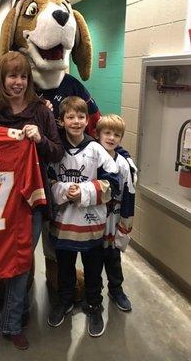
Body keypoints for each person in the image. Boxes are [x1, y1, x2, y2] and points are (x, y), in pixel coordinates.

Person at [0, 51, 64, 350]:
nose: (17, 82)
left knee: (21, 261)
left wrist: (40, 139)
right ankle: (16, 310)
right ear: (1, 79)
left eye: (23, 77)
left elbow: (57, 152)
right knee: (9, 258)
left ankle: (11, 321)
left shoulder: (41, 112)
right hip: (1, 201)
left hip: (33, 198)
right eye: (12, 76)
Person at [47, 97, 120, 337]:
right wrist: (62, 191)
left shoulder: (96, 149)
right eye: (70, 117)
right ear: (61, 120)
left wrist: (86, 192)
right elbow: (48, 181)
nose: (76, 121)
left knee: (92, 267)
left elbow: (113, 182)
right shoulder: (56, 150)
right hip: (64, 224)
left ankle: (93, 304)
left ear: (87, 120)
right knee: (65, 266)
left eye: (81, 117)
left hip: (91, 224)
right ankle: (65, 300)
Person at [95, 114, 135, 312]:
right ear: (98, 134)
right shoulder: (92, 157)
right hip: (93, 219)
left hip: (114, 217)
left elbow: (129, 194)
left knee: (113, 258)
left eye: (116, 134)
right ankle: (92, 293)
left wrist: (126, 222)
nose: (111, 138)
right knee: (93, 259)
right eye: (107, 133)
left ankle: (116, 289)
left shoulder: (123, 164)